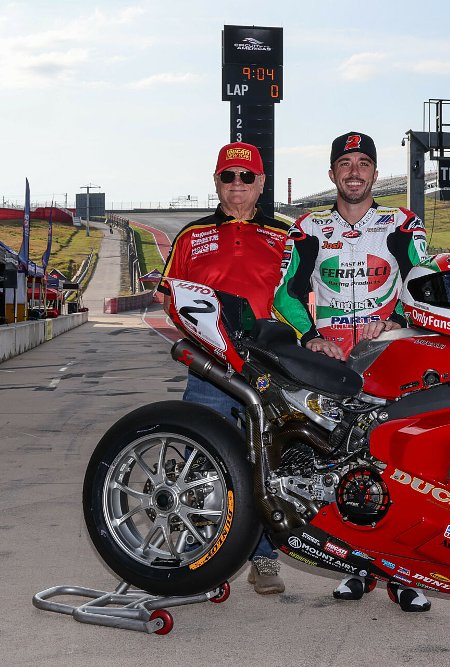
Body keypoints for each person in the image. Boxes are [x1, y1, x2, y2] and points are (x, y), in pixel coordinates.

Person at [272, 131, 431, 611]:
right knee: (342, 466)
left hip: (391, 358)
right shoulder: (309, 227)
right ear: (332, 174)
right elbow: (286, 293)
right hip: (333, 364)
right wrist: (309, 337)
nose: (354, 171)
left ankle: (405, 574)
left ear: (375, 173)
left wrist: (396, 320)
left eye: (363, 163)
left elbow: (423, 282)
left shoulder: (402, 223)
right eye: (345, 164)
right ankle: (356, 566)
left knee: (400, 466)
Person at [157, 141, 289, 595]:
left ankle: (264, 559)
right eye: (228, 176)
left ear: (261, 183)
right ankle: (201, 558)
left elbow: (300, 299)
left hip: (267, 368)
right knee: (202, 462)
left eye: (246, 177)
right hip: (210, 368)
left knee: (265, 462)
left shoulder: (285, 235)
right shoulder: (190, 236)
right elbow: (169, 299)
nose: (237, 184)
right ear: (216, 182)